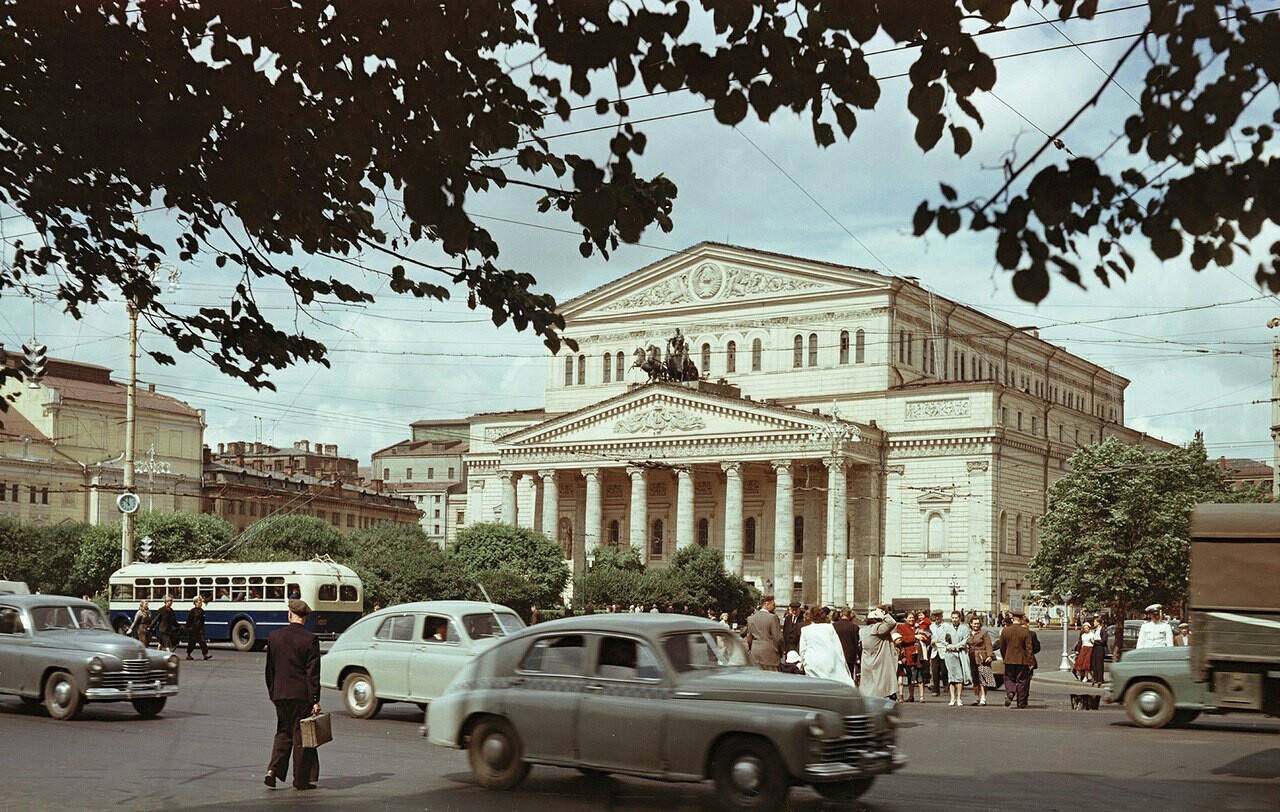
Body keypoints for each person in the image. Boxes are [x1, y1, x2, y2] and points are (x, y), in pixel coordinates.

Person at [263, 599, 323, 791]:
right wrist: (315, 700)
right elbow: (312, 674)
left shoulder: (274, 636)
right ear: (305, 618)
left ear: (290, 615)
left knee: (283, 732)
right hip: (301, 696)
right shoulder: (310, 639)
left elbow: (269, 670)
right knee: (300, 736)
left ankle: (272, 771)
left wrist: (273, 693)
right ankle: (300, 780)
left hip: (280, 694)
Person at [799, 607, 854, 687]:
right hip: (829, 659)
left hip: (812, 660)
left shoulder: (805, 629)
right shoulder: (830, 627)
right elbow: (838, 646)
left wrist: (803, 662)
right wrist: (842, 662)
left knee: (815, 685)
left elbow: (803, 650)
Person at [858, 606, 898, 701]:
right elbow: (892, 623)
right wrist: (884, 615)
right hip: (880, 662)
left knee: (868, 688)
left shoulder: (863, 631)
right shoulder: (877, 628)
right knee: (882, 688)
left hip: (867, 661)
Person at [998, 610, 1035, 708]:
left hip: (1009, 659)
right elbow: (1029, 648)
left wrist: (1005, 656)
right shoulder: (1025, 631)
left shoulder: (1005, 630)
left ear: (1012, 618)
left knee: (1009, 678)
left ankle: (1010, 692)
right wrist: (1030, 661)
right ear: (1021, 619)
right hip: (1022, 661)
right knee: (1022, 681)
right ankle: (1021, 702)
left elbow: (1002, 646)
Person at [936, 610, 971, 706]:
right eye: (953, 618)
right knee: (951, 677)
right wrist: (950, 646)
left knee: (959, 677)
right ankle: (952, 698)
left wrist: (958, 646)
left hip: (960, 653)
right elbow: (941, 639)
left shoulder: (964, 628)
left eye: (956, 618)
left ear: (960, 618)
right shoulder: (947, 628)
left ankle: (959, 698)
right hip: (950, 654)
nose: (955, 620)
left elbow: (966, 639)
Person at [744, 595, 784, 671]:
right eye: (773, 605)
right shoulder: (773, 617)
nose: (774, 607)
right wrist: (780, 651)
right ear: (767, 604)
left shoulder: (751, 619)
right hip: (769, 654)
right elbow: (777, 638)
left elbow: (749, 638)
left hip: (755, 653)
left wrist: (752, 648)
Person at [895, 611, 924, 702]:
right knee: (910, 676)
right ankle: (911, 696)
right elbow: (903, 639)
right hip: (909, 655)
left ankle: (921, 696)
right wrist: (915, 637)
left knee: (920, 677)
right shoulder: (901, 627)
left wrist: (924, 638)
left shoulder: (919, 626)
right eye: (909, 618)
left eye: (912, 618)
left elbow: (926, 636)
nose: (911, 619)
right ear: (905, 618)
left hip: (920, 655)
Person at [966, 615, 994, 705]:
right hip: (972, 657)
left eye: (978, 624)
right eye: (974, 624)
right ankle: (976, 697)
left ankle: (983, 698)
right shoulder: (969, 633)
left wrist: (990, 656)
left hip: (982, 657)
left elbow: (988, 644)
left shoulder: (984, 633)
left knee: (983, 678)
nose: (976, 625)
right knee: (975, 678)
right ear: (970, 624)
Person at [832, 609, 861, 684]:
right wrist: (859, 656)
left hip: (836, 654)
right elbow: (856, 643)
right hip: (849, 655)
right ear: (849, 615)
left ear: (841, 615)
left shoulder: (833, 626)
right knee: (849, 675)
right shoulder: (854, 627)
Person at [186, 596, 211, 660]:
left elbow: (202, 620)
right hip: (193, 629)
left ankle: (205, 654)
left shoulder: (202, 611)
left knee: (202, 642)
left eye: (201, 603)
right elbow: (189, 620)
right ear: (195, 603)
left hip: (200, 629)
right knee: (192, 643)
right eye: (199, 603)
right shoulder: (192, 611)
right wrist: (188, 628)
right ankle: (188, 654)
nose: (200, 604)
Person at [1073, 618, 1097, 683]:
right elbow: (1081, 643)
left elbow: (1093, 642)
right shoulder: (1083, 635)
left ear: (1089, 628)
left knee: (1087, 663)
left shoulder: (1092, 634)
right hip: (1083, 649)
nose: (1086, 629)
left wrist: (1092, 641)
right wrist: (1078, 650)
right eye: (1085, 628)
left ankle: (1086, 677)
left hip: (1089, 648)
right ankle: (1092, 676)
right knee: (1082, 663)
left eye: (1087, 628)